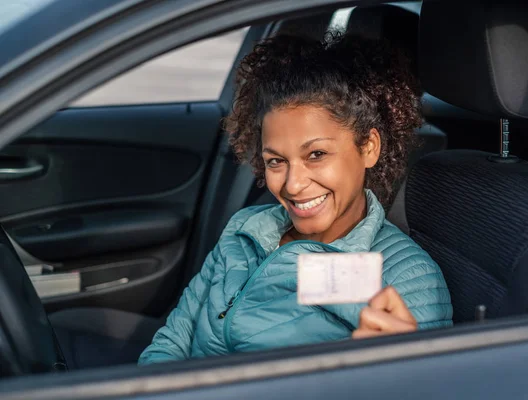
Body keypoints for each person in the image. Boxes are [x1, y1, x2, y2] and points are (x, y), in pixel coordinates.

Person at [138, 33, 453, 364]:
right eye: (276, 161)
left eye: (316, 154)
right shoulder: (247, 227)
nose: (293, 185)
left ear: (369, 147)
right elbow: (174, 338)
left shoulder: (406, 278)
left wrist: (398, 374)